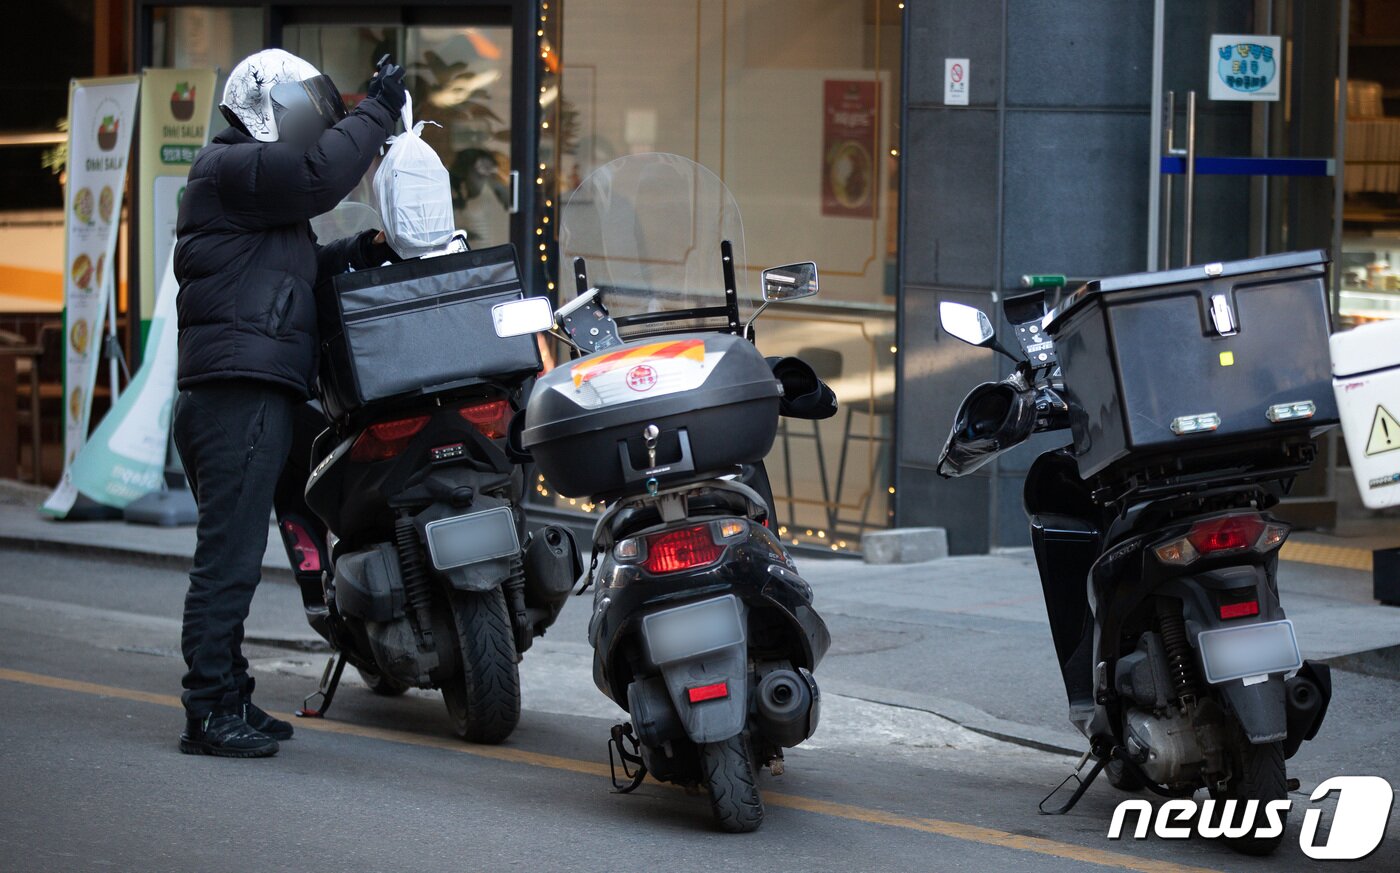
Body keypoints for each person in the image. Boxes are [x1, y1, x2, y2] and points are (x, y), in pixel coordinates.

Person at [171, 48, 406, 757]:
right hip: (235, 395)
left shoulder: (256, 196)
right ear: (269, 106)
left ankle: (231, 690)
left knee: (260, 542)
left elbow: (298, 272)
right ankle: (208, 710)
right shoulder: (229, 168)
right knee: (229, 559)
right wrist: (377, 110)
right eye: (306, 108)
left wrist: (355, 252)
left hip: (258, 390)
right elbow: (317, 176)